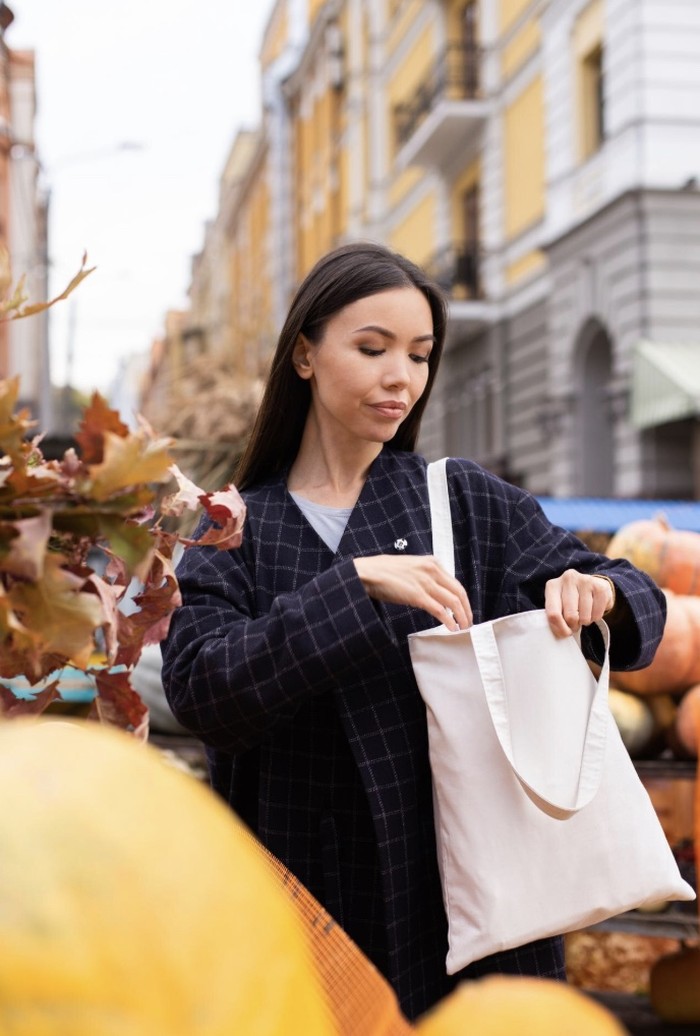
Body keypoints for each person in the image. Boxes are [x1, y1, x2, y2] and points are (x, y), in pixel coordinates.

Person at [161, 241, 666, 1020]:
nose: (402, 375)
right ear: (304, 353)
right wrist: (354, 586)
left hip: (476, 903)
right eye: (372, 348)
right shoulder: (236, 528)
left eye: (421, 355)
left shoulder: (462, 500)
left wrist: (595, 588)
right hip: (306, 902)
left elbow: (642, 600)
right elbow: (207, 690)